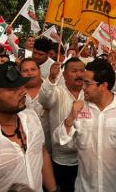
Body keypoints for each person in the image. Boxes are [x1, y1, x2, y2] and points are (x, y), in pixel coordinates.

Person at [53, 60, 116, 192]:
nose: (82, 87)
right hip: (85, 186)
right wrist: (70, 118)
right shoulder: (79, 107)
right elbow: (60, 141)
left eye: (87, 83)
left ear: (103, 85)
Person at [0, 62, 57, 192]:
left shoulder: (31, 117)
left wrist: (53, 189)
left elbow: (41, 152)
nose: (23, 91)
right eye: (12, 88)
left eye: (22, 85)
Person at [39, 57, 85, 192]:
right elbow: (44, 100)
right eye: (74, 71)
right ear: (64, 75)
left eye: (82, 71)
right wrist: (51, 78)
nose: (79, 74)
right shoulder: (57, 91)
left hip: (85, 158)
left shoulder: (89, 93)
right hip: (61, 159)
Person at [20, 58, 52, 153]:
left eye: (33, 69)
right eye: (25, 70)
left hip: (49, 150)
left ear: (39, 70)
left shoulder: (52, 89)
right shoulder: (15, 93)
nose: (30, 73)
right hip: (24, 152)